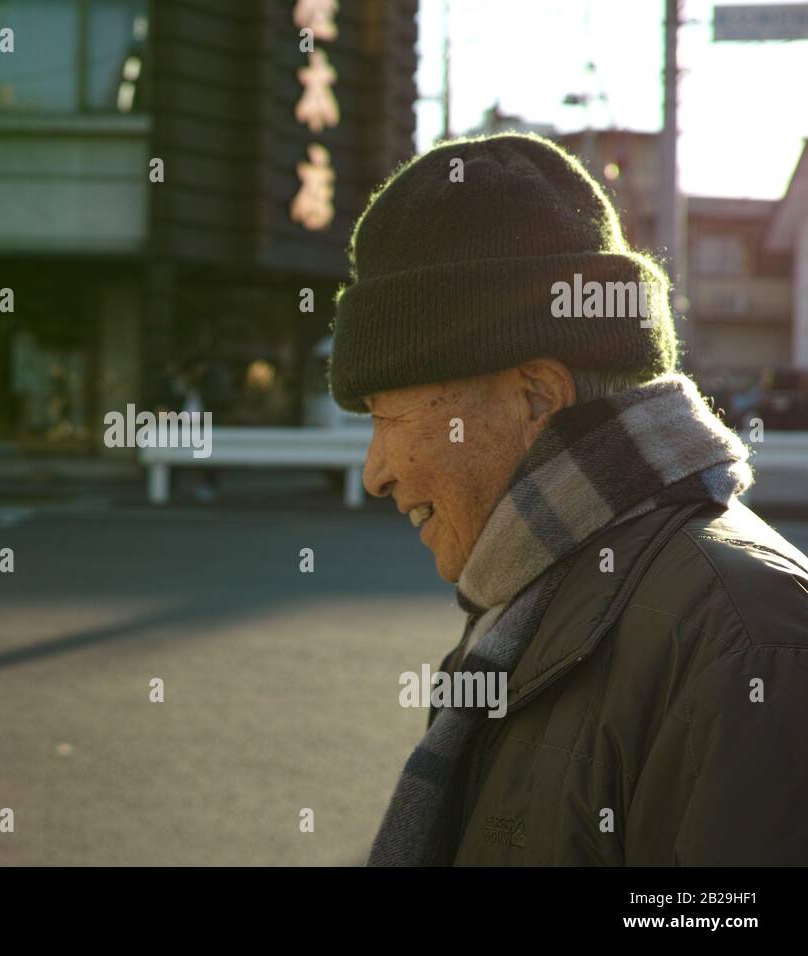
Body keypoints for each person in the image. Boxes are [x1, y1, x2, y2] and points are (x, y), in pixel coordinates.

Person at [329, 133, 808, 865]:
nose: (375, 472)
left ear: (535, 395)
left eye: (391, 418)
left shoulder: (751, 640)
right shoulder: (534, 596)